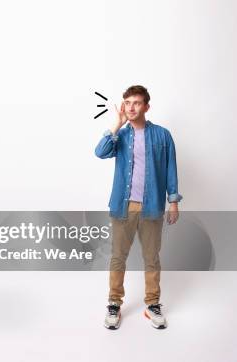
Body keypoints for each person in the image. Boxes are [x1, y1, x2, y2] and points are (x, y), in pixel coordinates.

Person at [94, 85, 182, 330]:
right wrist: (116, 124)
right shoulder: (120, 136)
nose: (131, 107)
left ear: (146, 106)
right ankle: (114, 303)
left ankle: (152, 304)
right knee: (118, 257)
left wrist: (173, 202)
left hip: (152, 206)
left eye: (136, 103)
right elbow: (100, 152)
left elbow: (171, 169)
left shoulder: (163, 135)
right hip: (124, 206)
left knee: (151, 258)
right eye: (127, 102)